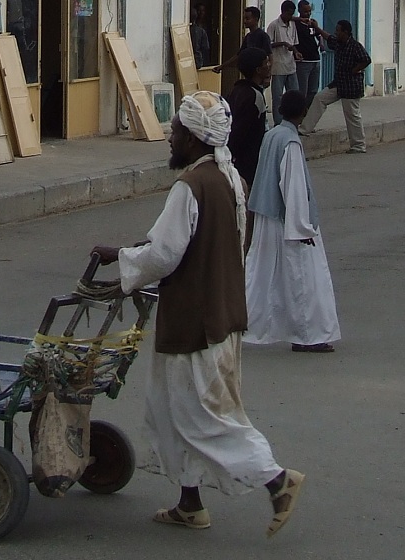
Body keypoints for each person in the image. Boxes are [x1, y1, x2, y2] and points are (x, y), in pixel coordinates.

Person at [92, 91, 305, 538]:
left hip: (196, 324)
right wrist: (137, 256)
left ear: (192, 137)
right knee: (175, 412)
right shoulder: (229, 180)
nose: (170, 139)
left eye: (175, 132)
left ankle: (276, 479)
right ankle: (190, 504)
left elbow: (165, 253)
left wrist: (122, 257)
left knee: (205, 418)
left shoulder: (189, 187)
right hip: (222, 316)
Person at [246, 90, 341, 353]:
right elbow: (293, 187)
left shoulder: (271, 135)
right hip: (286, 221)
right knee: (303, 279)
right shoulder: (290, 142)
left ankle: (243, 324)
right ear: (303, 113)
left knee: (262, 276)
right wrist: (301, 227)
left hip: (267, 216)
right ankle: (307, 335)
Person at [299, 19, 371, 153]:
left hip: (351, 86)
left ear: (346, 32)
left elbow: (366, 60)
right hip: (338, 84)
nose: (336, 33)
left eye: (338, 30)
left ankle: (358, 145)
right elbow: (328, 37)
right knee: (320, 98)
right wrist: (317, 28)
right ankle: (304, 129)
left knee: (352, 115)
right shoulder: (338, 43)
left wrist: (354, 70)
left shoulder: (355, 46)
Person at [227, 47, 271, 189]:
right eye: (266, 63)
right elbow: (240, 131)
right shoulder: (254, 97)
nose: (269, 66)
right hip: (249, 161)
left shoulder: (237, 90)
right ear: (258, 70)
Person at [267, 1, 301, 125]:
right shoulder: (274, 25)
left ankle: (293, 121)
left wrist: (296, 52)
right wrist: (282, 43)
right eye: (289, 14)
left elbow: (294, 43)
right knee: (278, 97)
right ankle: (278, 122)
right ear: (283, 12)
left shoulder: (292, 25)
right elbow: (268, 45)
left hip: (291, 66)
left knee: (294, 94)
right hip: (278, 66)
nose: (290, 17)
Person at [212, 7, 272, 74]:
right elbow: (239, 55)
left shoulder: (263, 36)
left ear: (256, 19)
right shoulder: (248, 37)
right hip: (249, 73)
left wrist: (268, 76)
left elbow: (270, 57)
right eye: (244, 18)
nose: (244, 21)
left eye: (247, 19)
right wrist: (222, 66)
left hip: (259, 75)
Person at [294, 0, 325, 108]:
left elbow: (319, 35)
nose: (308, 14)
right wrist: (300, 19)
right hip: (303, 61)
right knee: (302, 90)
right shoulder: (295, 24)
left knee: (313, 90)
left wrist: (321, 44)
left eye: (309, 11)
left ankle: (307, 111)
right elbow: (287, 18)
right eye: (305, 11)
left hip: (315, 60)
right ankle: (299, 112)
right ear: (299, 11)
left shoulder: (312, 23)